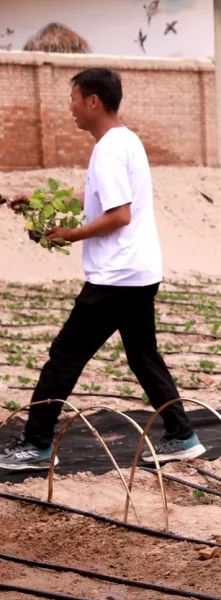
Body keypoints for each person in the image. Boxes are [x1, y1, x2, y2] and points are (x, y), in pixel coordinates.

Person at [0, 68, 204, 471]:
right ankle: (182, 435)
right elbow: (94, 195)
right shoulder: (124, 140)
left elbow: (119, 214)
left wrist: (69, 235)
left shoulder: (109, 148)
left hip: (116, 277)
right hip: (138, 272)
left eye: (73, 98)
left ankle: (36, 443)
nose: (70, 107)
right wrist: (43, 199)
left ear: (93, 101)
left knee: (64, 356)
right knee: (144, 356)